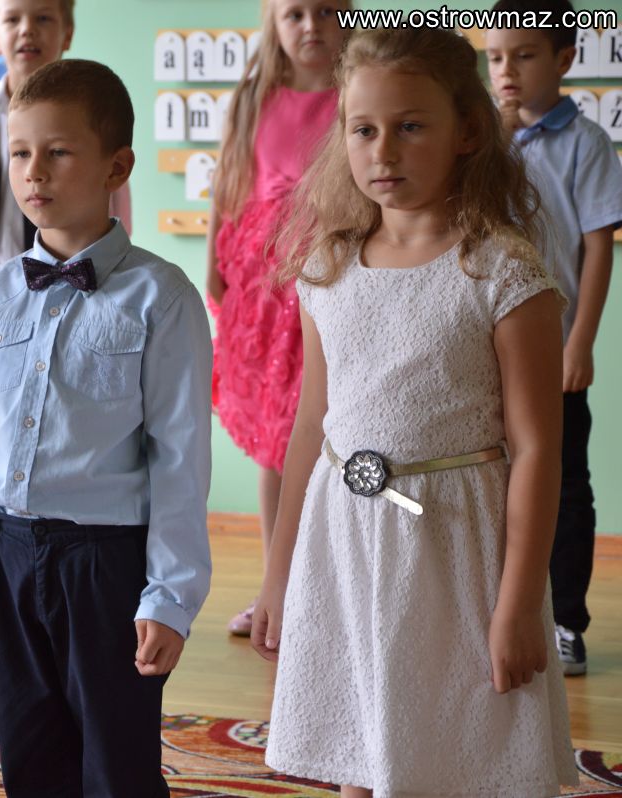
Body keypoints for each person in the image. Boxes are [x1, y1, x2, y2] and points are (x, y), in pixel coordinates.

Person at [252, 27, 577, 797]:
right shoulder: (328, 269)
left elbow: (536, 450)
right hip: (343, 540)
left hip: (456, 548)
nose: (383, 151)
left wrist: (518, 605)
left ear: (467, 130)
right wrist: (277, 577)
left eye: (410, 126)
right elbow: (311, 426)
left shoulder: (502, 273)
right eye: (363, 130)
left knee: (460, 745)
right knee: (359, 744)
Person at [0, 59, 212, 797]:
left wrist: (170, 598)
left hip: (104, 565)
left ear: (116, 166)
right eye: (20, 152)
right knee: (30, 756)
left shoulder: (161, 298)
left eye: (58, 152)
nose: (34, 172)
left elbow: (180, 458)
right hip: (3, 553)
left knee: (116, 765)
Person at [485, 0, 622, 677]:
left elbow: (598, 249)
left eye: (524, 55)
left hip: (553, 349)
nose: (506, 70)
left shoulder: (587, 144)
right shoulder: (481, 139)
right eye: (495, 57)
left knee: (566, 486)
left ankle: (565, 619)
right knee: (492, 478)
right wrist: (496, 136)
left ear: (564, 59)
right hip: (486, 348)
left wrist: (581, 342)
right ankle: (501, 607)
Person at [206, 0, 348, 636]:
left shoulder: (355, 92)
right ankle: (277, 588)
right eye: (295, 14)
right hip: (262, 287)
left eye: (326, 10)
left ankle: (333, 593)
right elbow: (228, 182)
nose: (311, 25)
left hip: (328, 275)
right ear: (274, 22)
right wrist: (213, 262)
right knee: (275, 443)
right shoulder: (252, 99)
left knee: (324, 434)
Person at [0, 0, 131, 278]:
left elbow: (115, 206)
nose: (27, 30)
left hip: (77, 275)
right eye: (12, 19)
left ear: (67, 34)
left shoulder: (93, 109)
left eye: (43, 19)